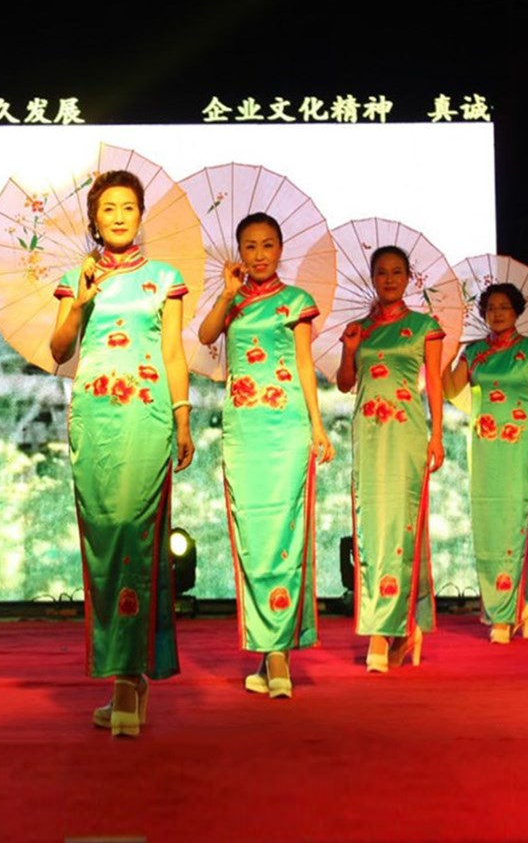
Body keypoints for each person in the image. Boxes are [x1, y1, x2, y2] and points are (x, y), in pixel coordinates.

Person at [50, 170, 194, 737]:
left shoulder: (164, 279)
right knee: (106, 536)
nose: (118, 216)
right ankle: (127, 676)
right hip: (93, 419)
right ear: (94, 218)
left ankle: (126, 681)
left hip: (146, 416)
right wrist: (80, 304)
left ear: (140, 215)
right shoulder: (76, 279)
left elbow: (173, 353)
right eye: (108, 208)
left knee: (138, 534)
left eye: (128, 207)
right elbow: (59, 349)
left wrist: (182, 419)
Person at [197, 212, 332, 697]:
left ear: (280, 249)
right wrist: (227, 293)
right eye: (250, 246)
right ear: (239, 252)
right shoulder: (232, 302)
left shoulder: (296, 302)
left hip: (287, 426)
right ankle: (271, 653)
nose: (259, 255)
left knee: (286, 530)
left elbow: (304, 365)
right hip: (244, 430)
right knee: (252, 534)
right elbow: (205, 336)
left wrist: (317, 426)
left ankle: (277, 657)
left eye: (268, 245)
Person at [336, 245, 445, 673]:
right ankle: (402, 628)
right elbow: (345, 383)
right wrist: (349, 349)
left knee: (403, 526)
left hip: (406, 434)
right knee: (371, 528)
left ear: (408, 277)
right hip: (368, 435)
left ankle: (384, 632)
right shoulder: (359, 329)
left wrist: (437, 436)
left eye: (397, 272)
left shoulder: (424, 327)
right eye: (381, 272)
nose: (389, 279)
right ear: (372, 278)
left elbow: (433, 385)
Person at [442, 283, 528, 645]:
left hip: (520, 442)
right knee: (488, 523)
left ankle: (509, 611)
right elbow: (450, 390)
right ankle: (507, 607)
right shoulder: (474, 352)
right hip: (485, 445)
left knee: (515, 520)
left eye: (504, 307)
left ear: (516, 311)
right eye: (491, 308)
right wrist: (447, 355)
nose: (497, 313)